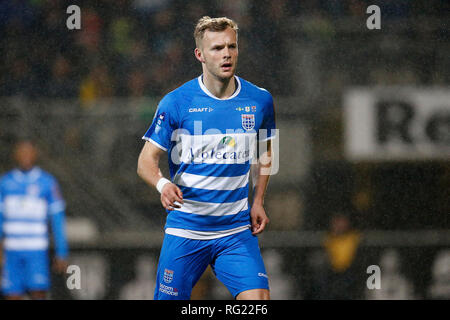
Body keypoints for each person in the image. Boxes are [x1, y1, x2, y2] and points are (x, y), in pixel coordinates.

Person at [137, 16, 276, 300]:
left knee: (258, 300)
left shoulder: (259, 100)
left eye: (231, 46)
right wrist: (163, 185)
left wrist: (258, 199)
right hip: (187, 229)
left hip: (235, 231)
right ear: (200, 54)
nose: (226, 53)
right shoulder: (177, 102)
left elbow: (266, 152)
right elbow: (145, 161)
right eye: (217, 48)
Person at [0, 139, 69, 300]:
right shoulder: (5, 183)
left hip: (36, 250)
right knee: (12, 294)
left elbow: (57, 220)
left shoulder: (47, 182)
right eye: (21, 152)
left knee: (38, 293)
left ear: (35, 154)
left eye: (28, 152)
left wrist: (62, 251)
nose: (25, 156)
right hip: (12, 251)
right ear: (15, 155)